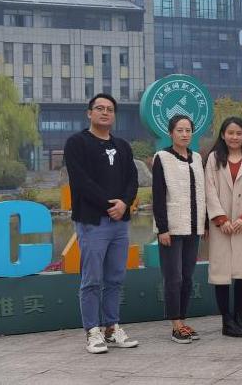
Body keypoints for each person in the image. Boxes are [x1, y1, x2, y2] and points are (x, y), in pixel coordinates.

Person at [63, 93, 140, 354]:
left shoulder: (123, 146)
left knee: (115, 278)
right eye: (99, 108)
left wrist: (125, 203)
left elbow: (132, 179)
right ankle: (92, 331)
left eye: (110, 109)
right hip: (93, 222)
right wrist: (109, 204)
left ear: (114, 115)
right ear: (89, 113)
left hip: (119, 222)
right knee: (92, 279)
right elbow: (81, 181)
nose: (105, 112)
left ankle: (111, 327)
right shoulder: (77, 143)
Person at [205, 117, 242, 338]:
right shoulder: (213, 158)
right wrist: (221, 218)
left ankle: (239, 318)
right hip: (221, 226)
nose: (234, 137)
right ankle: (226, 322)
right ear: (222, 135)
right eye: (230, 133)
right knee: (221, 275)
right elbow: (209, 189)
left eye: (239, 133)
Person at [152, 114, 206, 344]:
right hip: (172, 228)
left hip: (194, 227)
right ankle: (175, 325)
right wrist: (162, 228)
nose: (184, 134)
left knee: (187, 277)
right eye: (180, 130)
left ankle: (183, 321)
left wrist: (204, 223)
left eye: (188, 130)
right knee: (173, 277)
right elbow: (158, 195)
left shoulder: (197, 158)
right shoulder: (162, 157)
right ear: (170, 133)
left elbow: (202, 193)